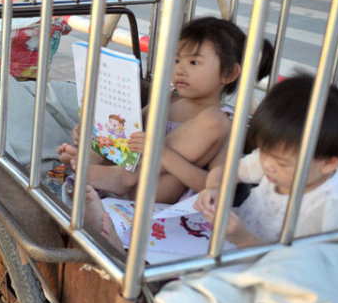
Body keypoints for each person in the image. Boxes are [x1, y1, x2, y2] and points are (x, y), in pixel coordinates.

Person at [59, 17, 273, 204]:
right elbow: (128, 135)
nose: (180, 69)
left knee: (214, 120)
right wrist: (95, 136)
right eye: (177, 60)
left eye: (193, 62)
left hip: (155, 193)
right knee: (117, 128)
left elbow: (214, 185)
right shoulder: (168, 98)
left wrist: (161, 154)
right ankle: (94, 165)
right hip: (116, 177)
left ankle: (123, 176)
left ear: (228, 74)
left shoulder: (223, 122)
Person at [195, 74, 338, 246]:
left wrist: (245, 240)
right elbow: (225, 172)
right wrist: (214, 190)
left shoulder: (337, 209)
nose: (267, 165)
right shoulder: (274, 158)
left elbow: (329, 268)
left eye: (282, 162)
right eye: (263, 151)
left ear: (329, 163)